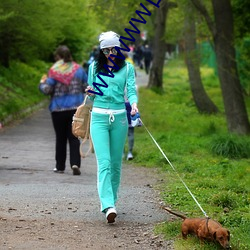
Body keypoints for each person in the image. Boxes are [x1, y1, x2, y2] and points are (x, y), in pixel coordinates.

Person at [85, 31, 138, 223]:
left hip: (120, 118)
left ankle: (112, 201)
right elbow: (91, 96)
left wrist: (133, 104)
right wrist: (90, 92)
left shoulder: (127, 68)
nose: (109, 53)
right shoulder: (94, 67)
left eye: (112, 49)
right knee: (104, 163)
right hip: (98, 117)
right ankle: (107, 205)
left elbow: (131, 90)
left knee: (116, 164)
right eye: (105, 50)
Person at [39, 45, 88, 175]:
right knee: (74, 137)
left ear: (58, 57)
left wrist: (42, 83)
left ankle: (60, 166)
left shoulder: (54, 71)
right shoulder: (79, 70)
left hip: (58, 109)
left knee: (60, 138)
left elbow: (47, 90)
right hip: (75, 109)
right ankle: (75, 163)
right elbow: (86, 87)